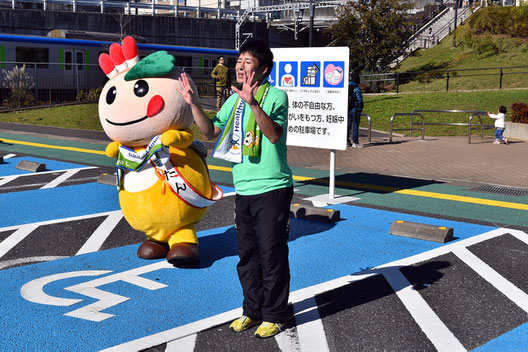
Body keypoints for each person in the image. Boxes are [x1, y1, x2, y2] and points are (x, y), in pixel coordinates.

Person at [177, 39, 294, 339]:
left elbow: (273, 135)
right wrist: (193, 104)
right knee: (247, 253)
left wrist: (253, 103)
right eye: (239, 60)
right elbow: (210, 131)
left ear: (264, 69)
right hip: (243, 188)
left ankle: (276, 314)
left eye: (248, 61)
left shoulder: (276, 97)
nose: (240, 66)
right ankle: (252, 310)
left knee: (272, 253)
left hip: (273, 187)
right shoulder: (232, 101)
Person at [347, 72, 364, 148]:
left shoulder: (346, 87)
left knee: (348, 125)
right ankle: (355, 142)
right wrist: (360, 108)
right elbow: (359, 99)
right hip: (356, 109)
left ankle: (346, 141)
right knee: (355, 125)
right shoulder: (356, 88)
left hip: (348, 108)